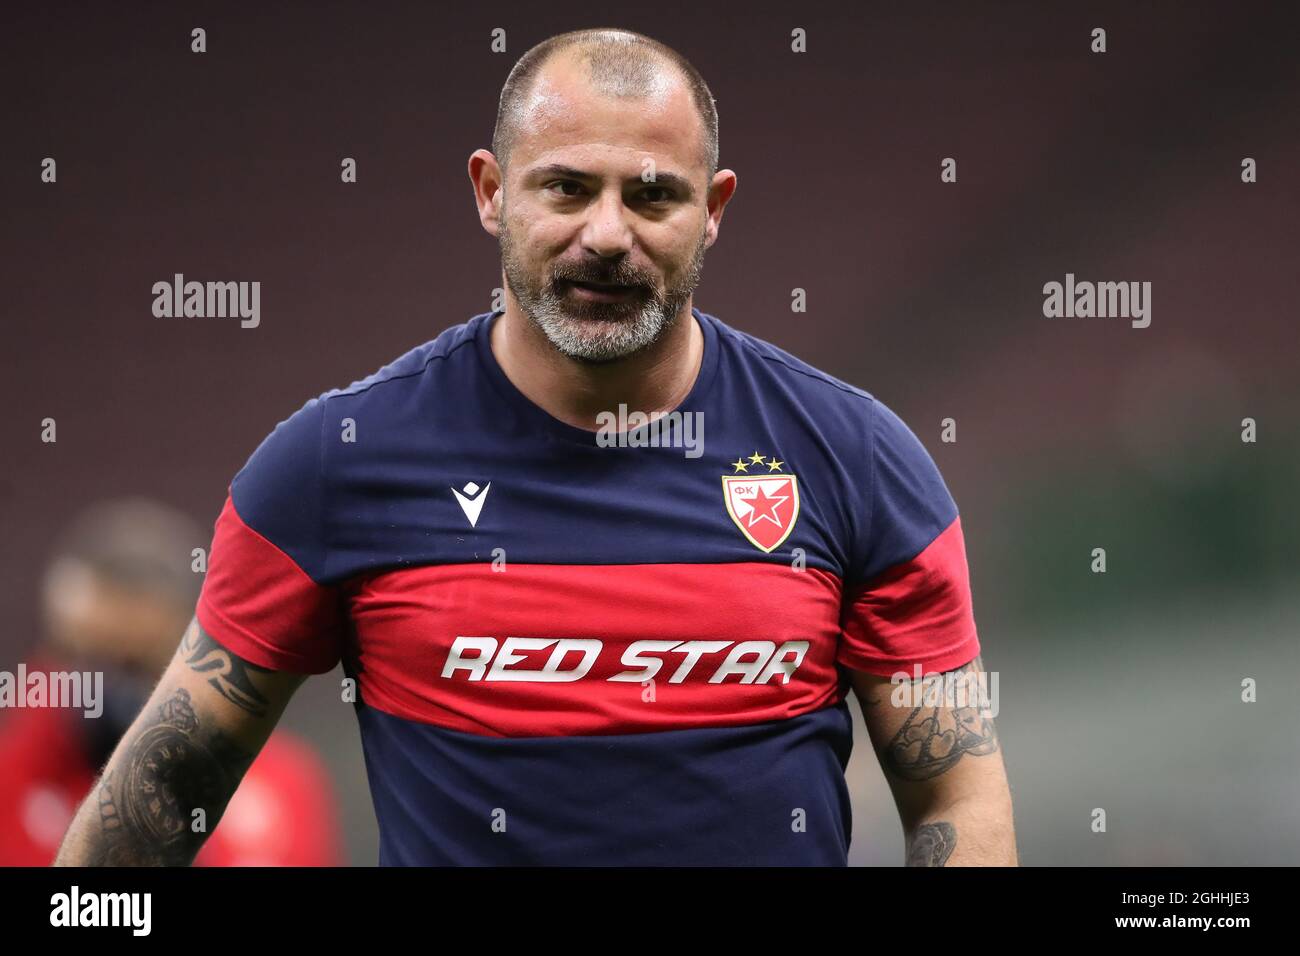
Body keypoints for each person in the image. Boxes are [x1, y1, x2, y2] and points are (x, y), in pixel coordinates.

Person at [56, 27, 1015, 866]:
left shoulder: (859, 460)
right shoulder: (334, 462)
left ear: (713, 208)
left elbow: (955, 797)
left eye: (652, 195)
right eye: (565, 187)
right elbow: (170, 781)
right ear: (490, 190)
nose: (606, 233)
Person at [0, 498, 341, 866]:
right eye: (85, 658)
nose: (105, 694)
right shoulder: (21, 773)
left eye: (131, 666)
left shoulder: (279, 785)